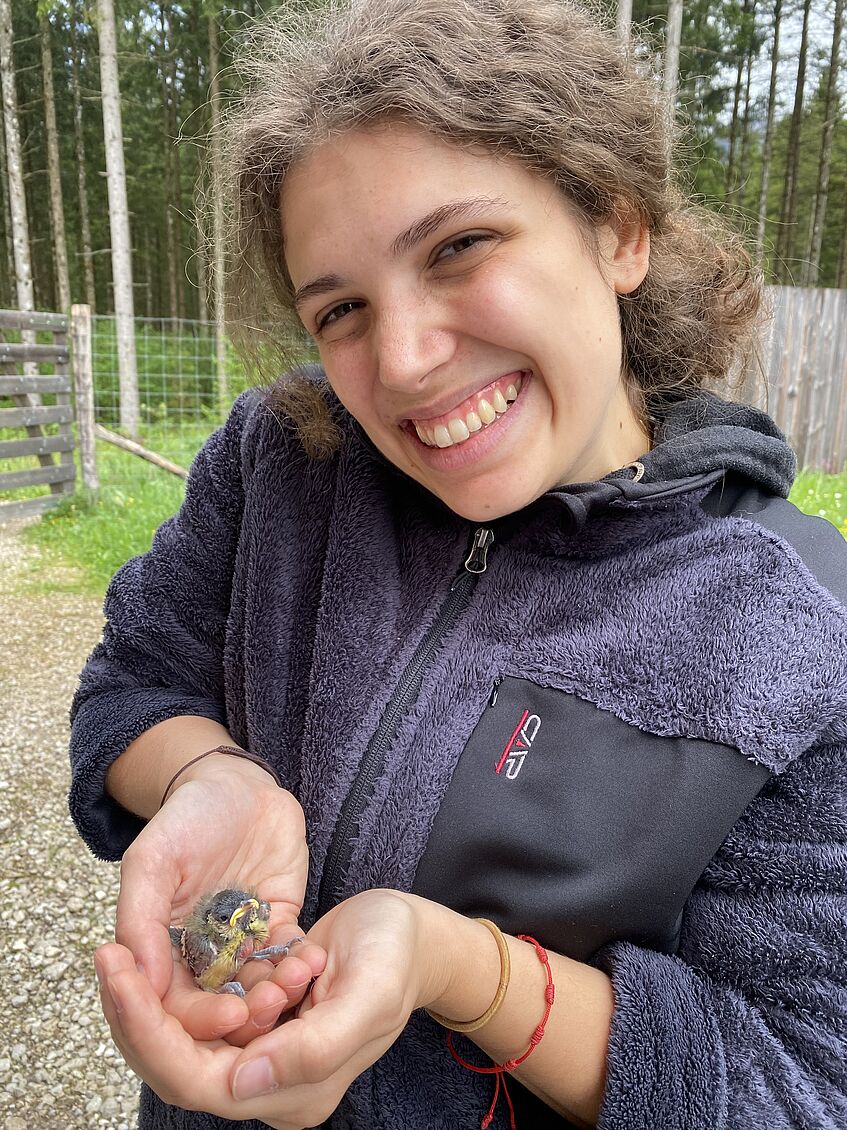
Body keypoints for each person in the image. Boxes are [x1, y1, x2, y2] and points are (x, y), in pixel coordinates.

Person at [70, 0, 847, 1127]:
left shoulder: (800, 627)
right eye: (338, 308)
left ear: (620, 230)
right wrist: (209, 778)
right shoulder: (279, 461)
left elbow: (795, 1079)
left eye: (458, 247)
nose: (402, 361)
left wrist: (458, 970)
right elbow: (130, 685)